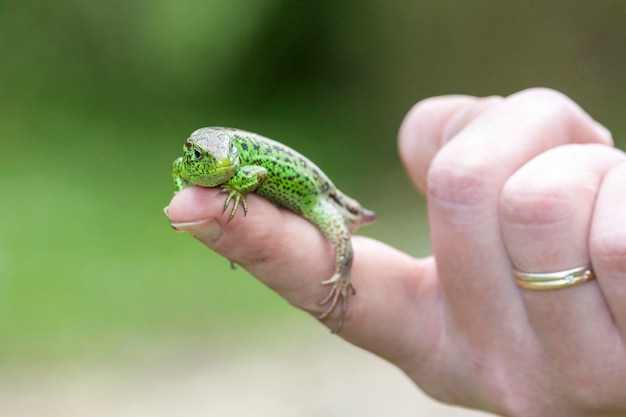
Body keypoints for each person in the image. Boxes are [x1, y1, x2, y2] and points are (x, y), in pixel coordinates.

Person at [165, 88, 626, 416]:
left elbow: (255, 173)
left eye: (228, 161)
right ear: (196, 158)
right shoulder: (190, 166)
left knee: (339, 240)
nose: (225, 165)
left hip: (313, 193)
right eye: (213, 163)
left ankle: (342, 277)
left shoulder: (239, 164)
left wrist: (341, 270)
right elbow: (187, 174)